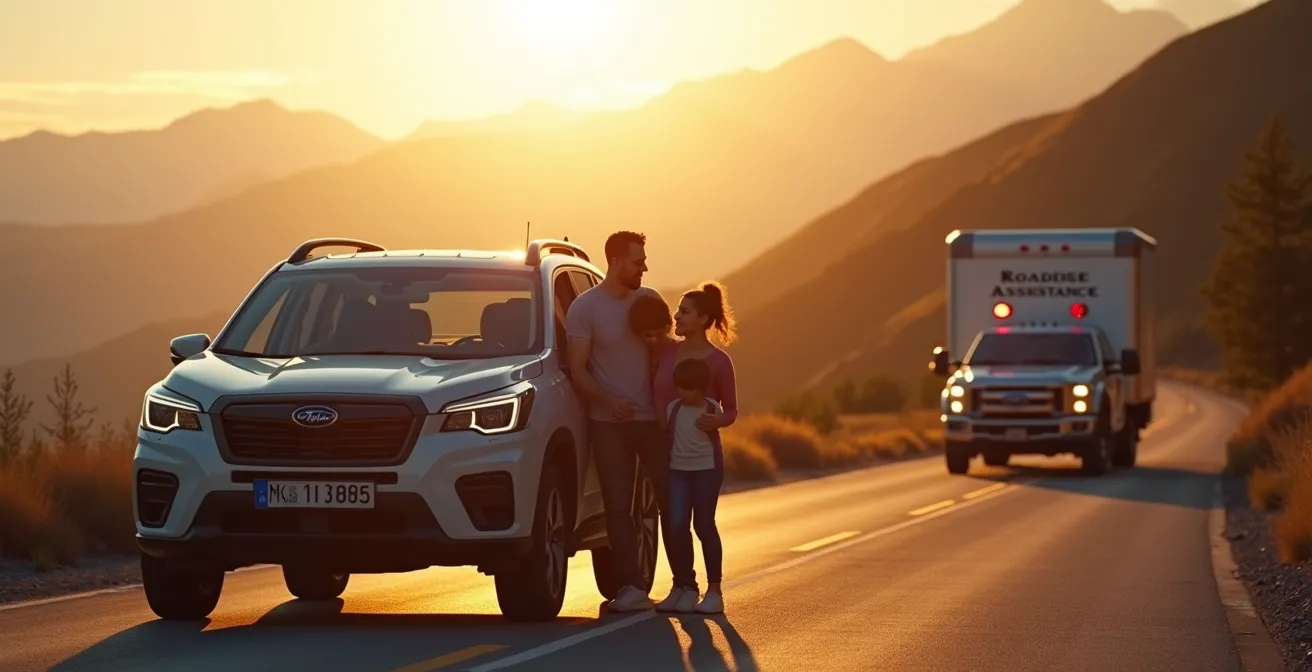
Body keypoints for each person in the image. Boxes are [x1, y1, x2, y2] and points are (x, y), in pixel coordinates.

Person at [565, 230, 670, 613]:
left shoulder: (650, 301)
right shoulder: (584, 308)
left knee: (670, 501)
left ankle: (686, 586)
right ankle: (631, 587)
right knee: (618, 507)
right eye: (638, 260)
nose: (644, 266)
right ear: (616, 263)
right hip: (607, 424)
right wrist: (608, 401)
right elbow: (578, 370)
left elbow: (667, 357)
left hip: (653, 423)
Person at [646, 282, 739, 613]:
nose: (676, 316)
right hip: (669, 457)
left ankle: (714, 592)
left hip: (705, 461)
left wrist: (718, 421)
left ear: (702, 319)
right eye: (677, 310)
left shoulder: (719, 361)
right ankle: (683, 586)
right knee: (674, 522)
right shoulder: (666, 351)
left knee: (703, 524)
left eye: (684, 312)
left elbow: (731, 409)